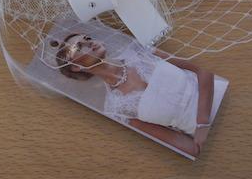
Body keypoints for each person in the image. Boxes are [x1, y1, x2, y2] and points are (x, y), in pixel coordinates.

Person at [54, 32, 215, 157]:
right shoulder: (116, 108)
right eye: (79, 47)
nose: (89, 42)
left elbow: (203, 69)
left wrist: (203, 122)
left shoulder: (138, 51)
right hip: (210, 137)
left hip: (220, 95)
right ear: (76, 67)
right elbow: (186, 146)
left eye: (87, 38)